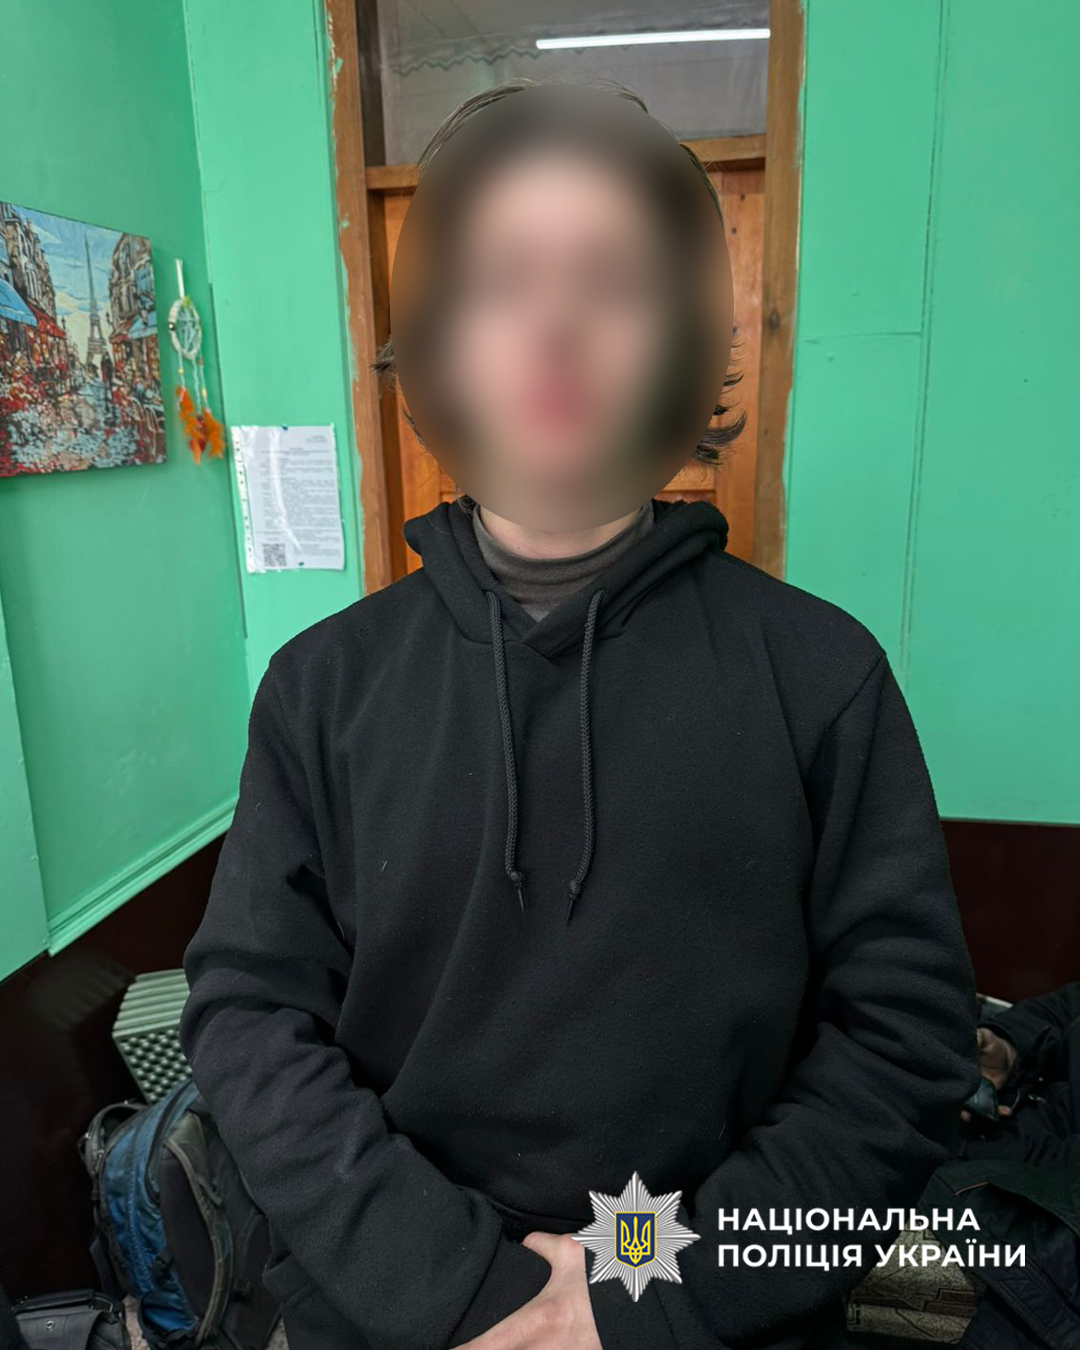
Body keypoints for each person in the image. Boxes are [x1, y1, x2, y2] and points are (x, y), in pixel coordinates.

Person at [179, 81, 979, 1350]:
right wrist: (465, 1287)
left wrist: (633, 1284)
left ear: (686, 341)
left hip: (711, 1315)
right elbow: (247, 1020)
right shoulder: (321, 687)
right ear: (437, 340)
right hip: (394, 1313)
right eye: (501, 283)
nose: (555, 325)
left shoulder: (822, 676)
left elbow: (906, 1047)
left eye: (613, 283)